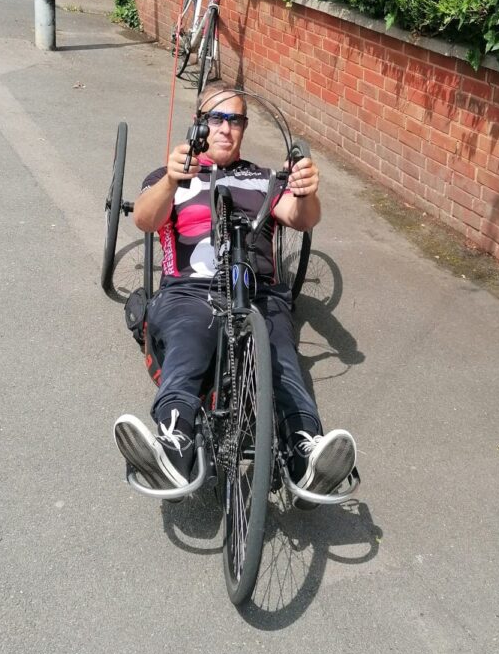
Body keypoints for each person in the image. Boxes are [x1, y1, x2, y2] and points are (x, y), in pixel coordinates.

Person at [114, 86, 357, 497]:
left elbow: (301, 219)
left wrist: (306, 191)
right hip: (192, 290)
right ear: (200, 123)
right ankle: (174, 445)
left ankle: (305, 452)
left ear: (244, 128)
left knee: (280, 356)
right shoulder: (173, 173)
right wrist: (172, 180)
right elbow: (144, 220)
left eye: (236, 120)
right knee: (190, 341)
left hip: (258, 292)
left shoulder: (262, 178)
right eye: (217, 118)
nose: (226, 129)